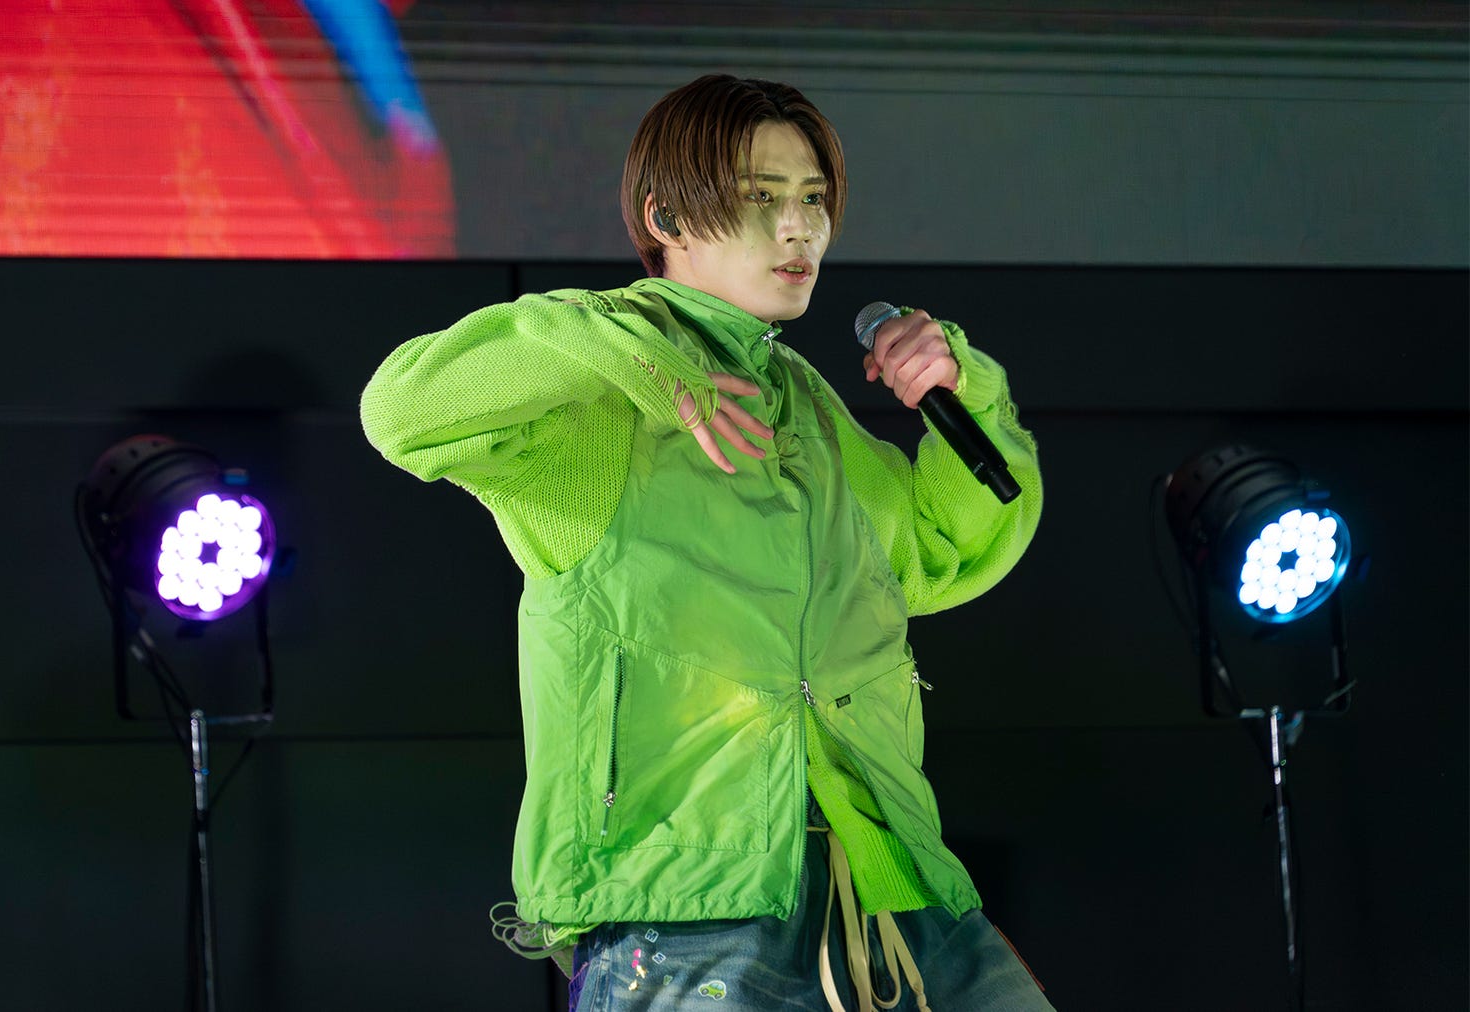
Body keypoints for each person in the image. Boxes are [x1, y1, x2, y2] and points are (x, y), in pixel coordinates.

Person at [360, 74, 1049, 1012]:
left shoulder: (810, 408)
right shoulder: (594, 404)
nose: (799, 228)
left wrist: (965, 390)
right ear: (666, 217)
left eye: (814, 199)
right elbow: (404, 408)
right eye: (761, 197)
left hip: (891, 888)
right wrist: (640, 358)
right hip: (684, 909)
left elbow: (942, 547)